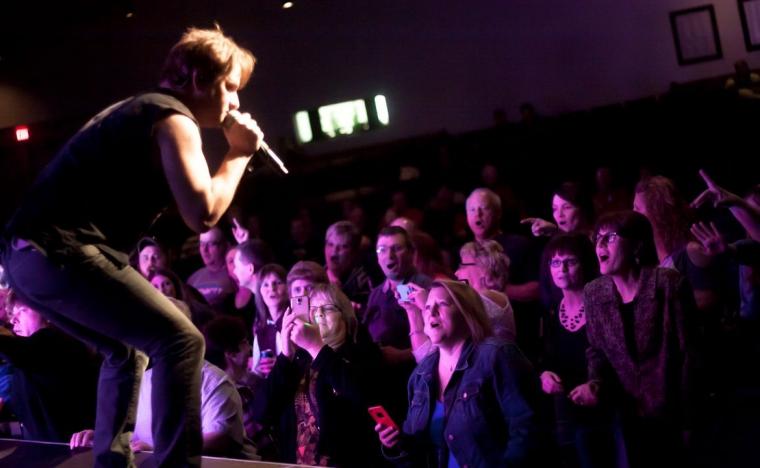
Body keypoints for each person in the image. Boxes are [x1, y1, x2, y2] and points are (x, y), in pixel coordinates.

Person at [1, 26, 263, 466]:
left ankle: (113, 462)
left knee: (125, 350)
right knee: (182, 340)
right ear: (199, 79)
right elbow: (203, 214)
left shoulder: (141, 109)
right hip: (60, 250)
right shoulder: (174, 118)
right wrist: (239, 153)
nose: (236, 102)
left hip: (23, 256)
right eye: (231, 87)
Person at [376, 280, 539, 467]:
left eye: (442, 304)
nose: (431, 312)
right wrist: (396, 444)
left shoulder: (496, 356)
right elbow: (417, 450)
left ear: (467, 313)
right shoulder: (420, 374)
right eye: (427, 307)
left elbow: (527, 428)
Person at [583, 211, 698, 467]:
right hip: (623, 414)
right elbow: (596, 351)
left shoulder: (668, 284)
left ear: (637, 245)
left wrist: (689, 420)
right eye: (597, 238)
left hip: (670, 413)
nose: (600, 245)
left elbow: (689, 355)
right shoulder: (593, 292)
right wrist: (595, 383)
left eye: (610, 237)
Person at [252, 283, 383, 466]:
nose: (319, 314)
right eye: (313, 309)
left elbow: (362, 397)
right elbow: (261, 413)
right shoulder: (298, 361)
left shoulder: (364, 353)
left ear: (345, 317)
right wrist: (285, 355)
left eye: (328, 308)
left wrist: (316, 347)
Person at [539, 234, 615, 468]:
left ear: (586, 264)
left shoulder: (604, 306)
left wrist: (597, 386)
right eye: (555, 262)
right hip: (565, 413)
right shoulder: (551, 311)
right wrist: (544, 374)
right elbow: (546, 359)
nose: (561, 269)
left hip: (605, 411)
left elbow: (618, 361)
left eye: (570, 261)